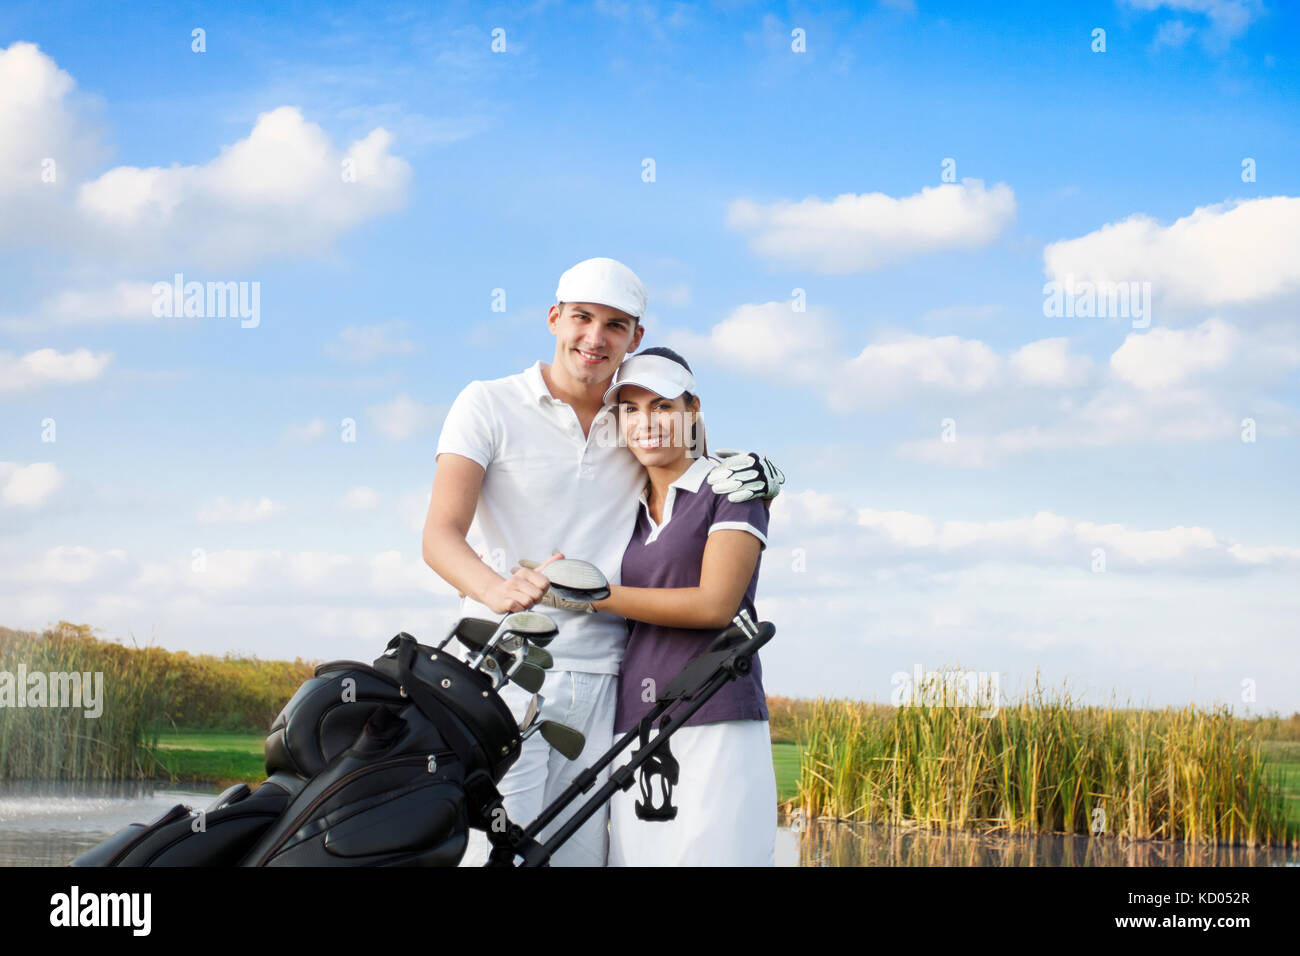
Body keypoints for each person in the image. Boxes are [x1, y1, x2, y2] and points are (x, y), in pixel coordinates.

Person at [422, 257, 783, 867]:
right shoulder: (486, 403)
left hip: (612, 685)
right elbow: (440, 534)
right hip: (512, 670)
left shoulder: (629, 423)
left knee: (579, 860)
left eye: (615, 325)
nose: (595, 338)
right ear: (554, 318)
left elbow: (683, 453)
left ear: (634, 338)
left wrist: (758, 470)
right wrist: (497, 588)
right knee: (490, 851)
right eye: (582, 318)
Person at [550, 347, 776, 866]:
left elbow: (715, 605)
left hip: (716, 711)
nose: (646, 422)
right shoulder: (622, 509)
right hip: (637, 721)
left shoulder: (732, 487)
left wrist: (593, 597)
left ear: (691, 411)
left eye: (662, 407)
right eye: (630, 408)